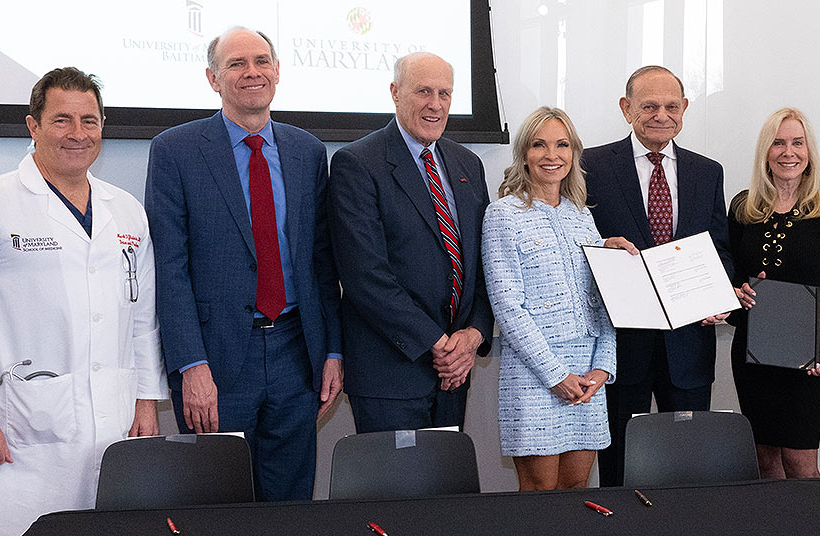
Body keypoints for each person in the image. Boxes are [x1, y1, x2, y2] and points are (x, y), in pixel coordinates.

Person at [0, 67, 165, 536]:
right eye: (62, 120)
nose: (78, 133)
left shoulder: (126, 210)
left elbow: (142, 318)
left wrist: (146, 402)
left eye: (89, 120)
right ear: (33, 126)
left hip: (116, 423)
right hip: (23, 428)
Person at [145, 27, 342, 501]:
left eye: (261, 61)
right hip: (216, 360)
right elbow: (169, 269)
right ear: (213, 78)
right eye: (236, 64)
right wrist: (191, 365)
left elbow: (322, 261)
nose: (252, 72)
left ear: (277, 72)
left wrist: (332, 351)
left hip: (297, 353)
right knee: (218, 502)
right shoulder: (175, 151)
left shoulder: (308, 151)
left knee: (290, 503)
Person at [584, 65, 733, 487]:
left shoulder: (708, 171)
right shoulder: (591, 165)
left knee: (687, 470)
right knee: (618, 468)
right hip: (620, 347)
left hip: (689, 347)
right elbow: (577, 243)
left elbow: (719, 248)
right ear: (626, 108)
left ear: (684, 108)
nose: (661, 115)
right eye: (649, 106)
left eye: (671, 106)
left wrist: (718, 296)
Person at [329, 51, 493, 433]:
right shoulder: (357, 163)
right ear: (395, 92)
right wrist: (438, 344)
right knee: (395, 475)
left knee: (447, 472)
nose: (435, 104)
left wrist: (473, 336)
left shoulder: (468, 164)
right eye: (423, 91)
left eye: (444, 93)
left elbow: (485, 264)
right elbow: (365, 276)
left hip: (454, 373)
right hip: (390, 374)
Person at [483, 107, 634, 490]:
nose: (552, 155)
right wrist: (555, 376)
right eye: (539, 145)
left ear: (574, 153)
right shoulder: (502, 215)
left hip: (587, 376)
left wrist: (603, 368)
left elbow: (602, 301)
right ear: (524, 154)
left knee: (577, 490)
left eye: (562, 145)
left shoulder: (582, 216)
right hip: (535, 375)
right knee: (540, 496)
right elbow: (507, 307)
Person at [727, 108, 820, 478]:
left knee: (800, 461)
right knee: (764, 459)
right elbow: (730, 275)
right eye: (778, 143)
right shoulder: (743, 207)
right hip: (754, 353)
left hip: (811, 357)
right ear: (765, 151)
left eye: (798, 143)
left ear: (809, 151)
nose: (788, 152)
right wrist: (737, 293)